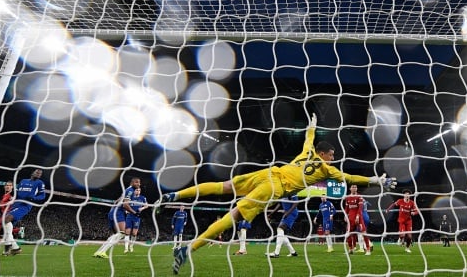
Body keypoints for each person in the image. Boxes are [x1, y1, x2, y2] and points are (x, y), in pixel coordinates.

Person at [159, 113, 396, 274]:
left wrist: (311, 126)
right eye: (332, 155)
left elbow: (309, 138)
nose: (333, 158)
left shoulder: (307, 153)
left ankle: (176, 195)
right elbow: (351, 178)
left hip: (270, 172)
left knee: (225, 186)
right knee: (234, 215)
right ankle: (188, 250)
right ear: (325, 155)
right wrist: (375, 180)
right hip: (275, 187)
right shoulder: (327, 168)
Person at [2, 169, 47, 256]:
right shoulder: (23, 181)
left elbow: (42, 196)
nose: (38, 174)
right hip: (15, 204)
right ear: (32, 172)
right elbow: (17, 193)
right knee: (6, 229)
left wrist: (33, 198)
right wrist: (12, 198)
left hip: (25, 205)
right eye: (37, 172)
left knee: (6, 220)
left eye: (40, 173)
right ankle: (12, 249)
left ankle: (13, 249)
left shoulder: (40, 183)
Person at [93, 177, 141, 258]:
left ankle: (99, 252)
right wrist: (134, 213)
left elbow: (117, 201)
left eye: (139, 183)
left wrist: (115, 210)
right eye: (136, 182)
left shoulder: (126, 190)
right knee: (122, 233)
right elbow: (125, 205)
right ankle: (102, 252)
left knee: (117, 234)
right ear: (132, 183)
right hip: (118, 212)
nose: (139, 184)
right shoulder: (130, 191)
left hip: (113, 211)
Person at [0, 182, 23, 254]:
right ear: (4, 187)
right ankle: (16, 246)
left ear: (12, 187)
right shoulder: (5, 195)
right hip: (4, 215)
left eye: (10, 185)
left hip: (7, 216)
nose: (8, 186)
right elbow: (1, 203)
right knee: (3, 233)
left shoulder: (11, 195)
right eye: (6, 185)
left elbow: (13, 201)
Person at [385, 189, 418, 253]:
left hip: (408, 221)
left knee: (409, 236)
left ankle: (407, 248)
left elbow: (417, 211)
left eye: (408, 195)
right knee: (402, 235)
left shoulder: (412, 203)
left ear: (410, 196)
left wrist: (414, 213)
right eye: (406, 195)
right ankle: (400, 238)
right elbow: (393, 204)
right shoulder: (400, 201)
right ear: (404, 195)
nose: (407, 196)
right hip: (401, 221)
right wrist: (388, 209)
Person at [344, 184, 371, 255]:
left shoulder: (359, 197)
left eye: (355, 187)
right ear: (350, 188)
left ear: (357, 188)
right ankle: (350, 249)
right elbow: (346, 208)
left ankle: (368, 249)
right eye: (352, 187)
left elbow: (360, 208)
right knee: (348, 234)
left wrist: (358, 216)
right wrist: (345, 215)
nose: (354, 188)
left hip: (359, 218)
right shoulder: (347, 197)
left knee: (364, 232)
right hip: (350, 218)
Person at [124, 187, 149, 253]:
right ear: (134, 191)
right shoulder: (130, 197)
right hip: (129, 216)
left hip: (137, 217)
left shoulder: (143, 198)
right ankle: (126, 248)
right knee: (127, 232)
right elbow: (125, 205)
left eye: (139, 190)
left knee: (134, 233)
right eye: (137, 190)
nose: (138, 191)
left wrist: (142, 208)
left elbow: (147, 205)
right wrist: (126, 211)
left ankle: (131, 246)